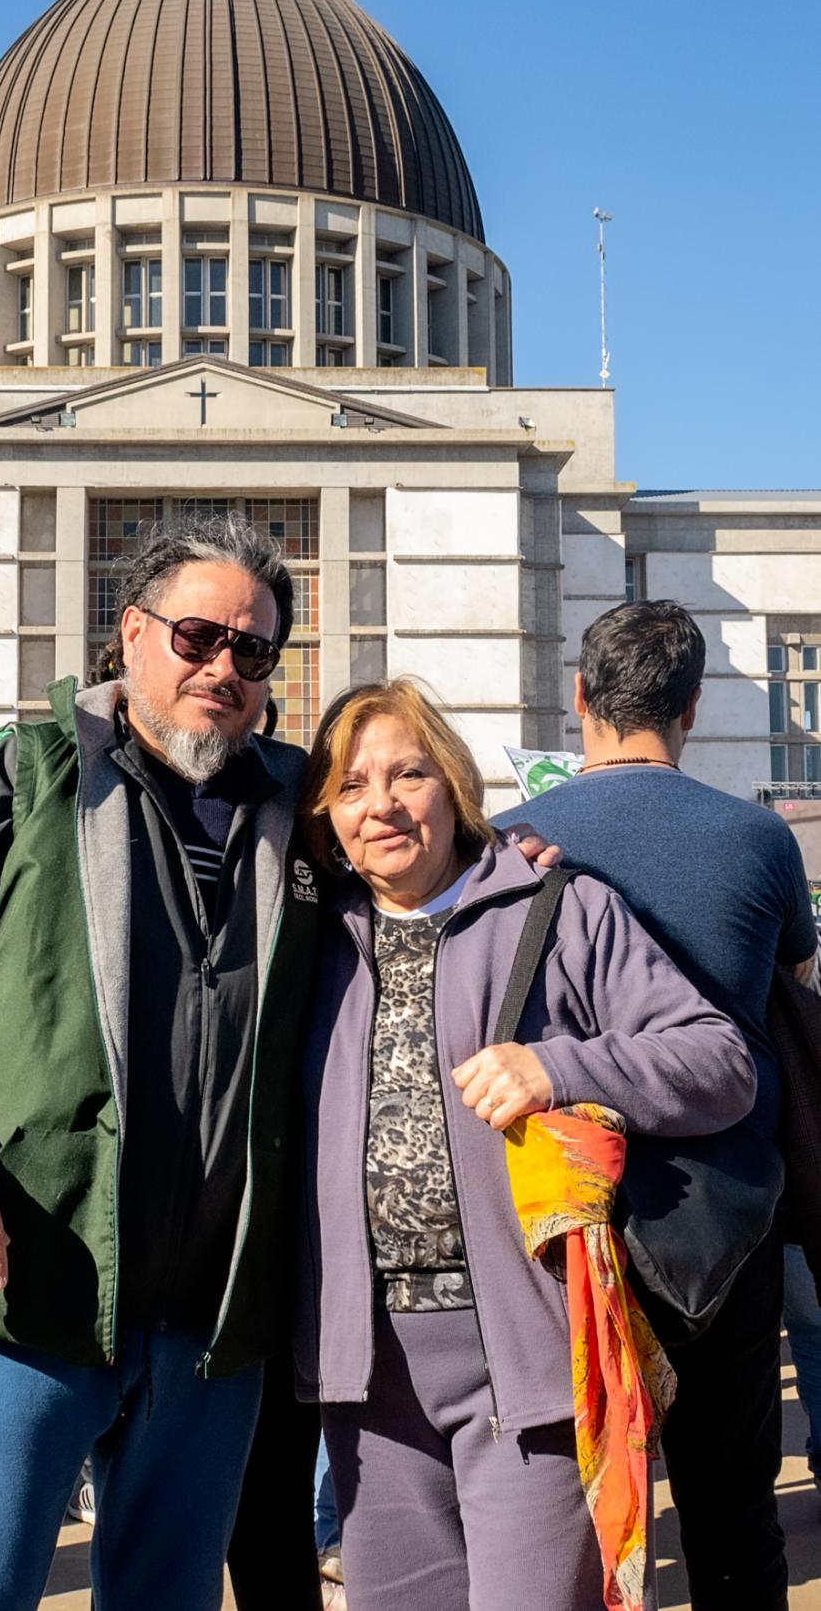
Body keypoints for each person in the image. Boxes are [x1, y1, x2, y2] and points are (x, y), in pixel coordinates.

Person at [0, 513, 328, 1611]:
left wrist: (507, 857)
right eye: (198, 637)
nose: (223, 669)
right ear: (131, 634)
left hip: (207, 1332)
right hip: (17, 1301)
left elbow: (424, 861)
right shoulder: (18, 773)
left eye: (253, 651)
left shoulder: (300, 807)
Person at [294, 678, 758, 1611]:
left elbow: (722, 1061)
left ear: (455, 787)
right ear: (325, 815)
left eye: (407, 773)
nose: (379, 803)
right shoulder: (311, 933)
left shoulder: (559, 907)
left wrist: (562, 1067)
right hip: (366, 1372)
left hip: (530, 1357)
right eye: (351, 785)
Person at [493, 600, 818, 1611]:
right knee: (732, 1512)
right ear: (691, 705)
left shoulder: (505, 841)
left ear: (579, 698)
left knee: (569, 1518)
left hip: (554, 1225)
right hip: (723, 1219)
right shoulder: (758, 839)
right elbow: (795, 982)